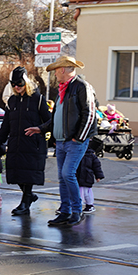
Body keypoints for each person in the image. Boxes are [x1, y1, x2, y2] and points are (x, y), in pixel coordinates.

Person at [25, 56, 97, 226]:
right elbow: (56, 118)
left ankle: (76, 211)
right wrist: (42, 128)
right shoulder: (63, 89)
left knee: (67, 174)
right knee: (62, 177)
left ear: (63, 69)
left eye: (56, 71)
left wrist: (78, 137)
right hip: (62, 141)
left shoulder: (82, 87)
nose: (55, 75)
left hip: (74, 141)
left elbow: (90, 114)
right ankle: (65, 211)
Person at [0, 66, 51, 216]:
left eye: (19, 84)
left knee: (28, 175)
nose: (17, 87)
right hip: (15, 143)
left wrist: (39, 129)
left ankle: (25, 203)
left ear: (26, 83)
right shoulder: (11, 101)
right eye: (14, 84)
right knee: (16, 173)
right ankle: (29, 196)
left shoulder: (37, 99)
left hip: (32, 144)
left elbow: (49, 120)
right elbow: (6, 124)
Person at [76, 147, 104, 214]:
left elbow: (97, 167)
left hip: (87, 177)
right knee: (81, 192)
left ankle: (89, 205)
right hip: (81, 176)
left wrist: (98, 176)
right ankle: (82, 205)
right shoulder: (78, 153)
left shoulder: (91, 156)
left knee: (86, 193)